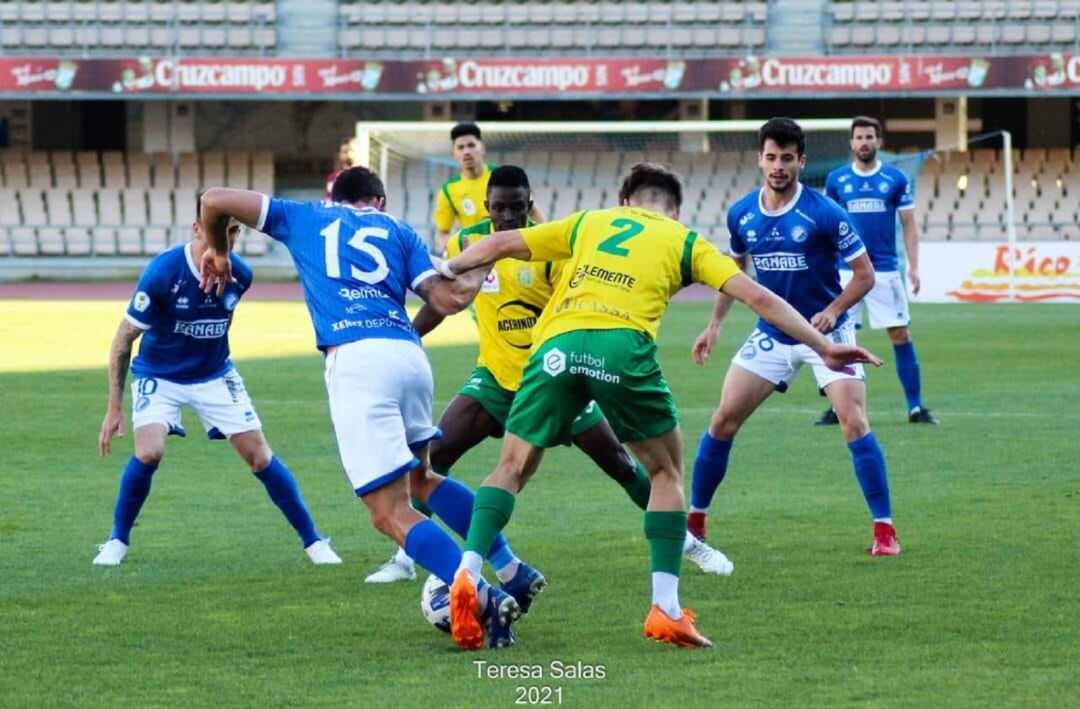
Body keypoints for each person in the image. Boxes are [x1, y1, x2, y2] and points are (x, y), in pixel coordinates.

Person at [436, 162, 881, 650]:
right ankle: (665, 609)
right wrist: (824, 345)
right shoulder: (685, 239)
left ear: (626, 199)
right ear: (676, 208)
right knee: (666, 472)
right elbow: (757, 296)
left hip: (554, 346)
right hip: (621, 347)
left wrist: (444, 270)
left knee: (511, 468)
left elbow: (500, 244)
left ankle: (467, 572)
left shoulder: (591, 220)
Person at [196, 166, 523, 648]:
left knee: (388, 512)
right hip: (410, 356)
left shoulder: (303, 216)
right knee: (422, 480)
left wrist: (218, 252)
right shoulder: (398, 230)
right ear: (380, 200)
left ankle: (477, 592)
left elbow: (213, 197)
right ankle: (512, 566)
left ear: (334, 196)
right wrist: (484, 259)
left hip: (357, 361)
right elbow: (448, 300)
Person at [365, 165, 734, 585]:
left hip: (554, 380)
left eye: (517, 207)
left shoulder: (552, 246)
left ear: (530, 205)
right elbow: (447, 300)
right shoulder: (469, 243)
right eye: (500, 208)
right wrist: (410, 334)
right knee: (432, 459)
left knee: (620, 463)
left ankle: (685, 541)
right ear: (487, 207)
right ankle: (405, 555)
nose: (507, 216)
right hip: (494, 381)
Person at [687, 117, 902, 560]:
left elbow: (864, 276)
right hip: (773, 333)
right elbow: (733, 274)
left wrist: (834, 310)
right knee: (723, 420)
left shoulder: (825, 213)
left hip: (829, 331)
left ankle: (884, 530)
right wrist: (715, 325)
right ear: (759, 160)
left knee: (853, 420)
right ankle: (695, 522)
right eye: (771, 157)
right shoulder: (741, 213)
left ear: (801, 161)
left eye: (787, 158)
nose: (778, 166)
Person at [94, 196, 341, 567]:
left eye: (236, 230)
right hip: (159, 375)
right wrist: (114, 407)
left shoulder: (241, 275)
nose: (230, 238)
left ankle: (314, 542)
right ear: (198, 229)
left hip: (214, 373)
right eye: (222, 230)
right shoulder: (163, 272)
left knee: (259, 456)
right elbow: (122, 339)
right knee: (149, 452)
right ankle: (117, 540)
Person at [814, 115, 938, 426]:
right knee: (840, 338)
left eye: (870, 137)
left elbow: (909, 223)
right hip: (844, 272)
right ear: (851, 143)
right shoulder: (837, 180)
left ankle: (915, 407)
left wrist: (914, 266)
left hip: (883, 270)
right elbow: (827, 226)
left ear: (879, 142)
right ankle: (837, 407)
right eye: (859, 137)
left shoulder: (895, 179)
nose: (864, 142)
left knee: (900, 334)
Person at [432, 122, 543, 253]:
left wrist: (542, 238)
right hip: (477, 254)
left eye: (471, 145)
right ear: (454, 154)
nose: (466, 151)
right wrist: (449, 247)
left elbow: (532, 210)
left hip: (509, 247)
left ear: (482, 148)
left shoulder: (501, 177)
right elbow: (442, 232)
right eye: (460, 147)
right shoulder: (448, 189)